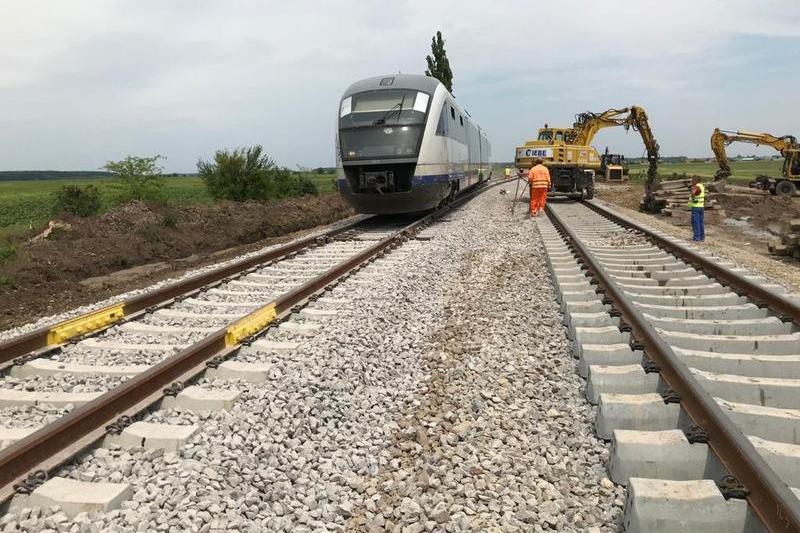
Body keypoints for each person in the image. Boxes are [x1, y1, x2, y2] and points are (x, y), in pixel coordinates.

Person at [688, 176, 705, 241]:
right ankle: (702, 237)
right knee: (701, 222)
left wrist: (692, 192)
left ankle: (697, 237)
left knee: (695, 222)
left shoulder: (696, 187)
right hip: (701, 206)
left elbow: (693, 194)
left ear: (695, 180)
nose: (691, 182)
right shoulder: (702, 186)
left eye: (692, 180)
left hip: (696, 207)